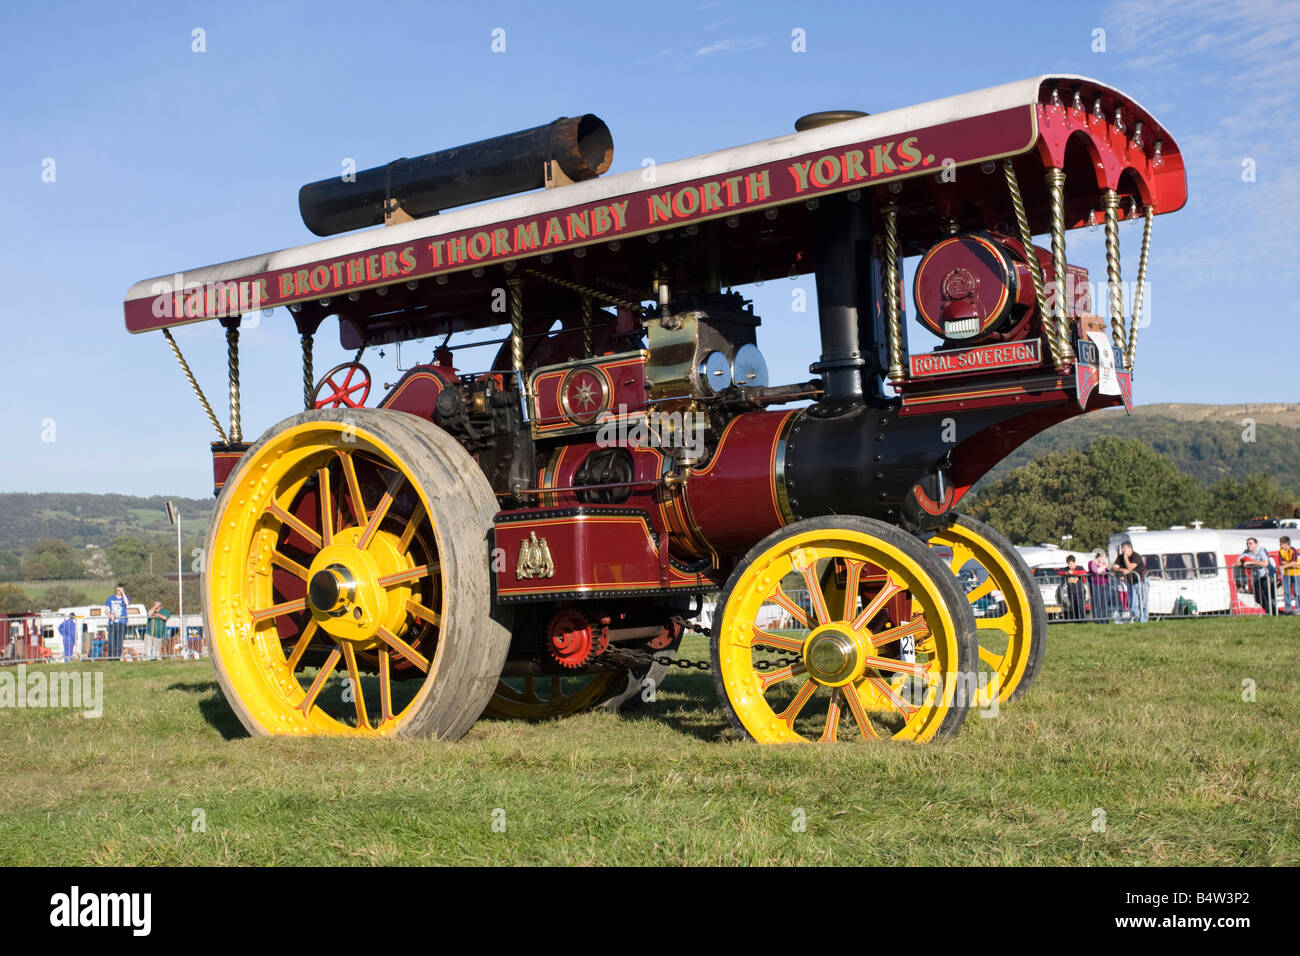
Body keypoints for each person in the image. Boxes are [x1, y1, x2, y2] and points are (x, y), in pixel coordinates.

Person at [1112, 541, 1148, 622]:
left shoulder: (1136, 556)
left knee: (1143, 602)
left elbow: (1130, 568)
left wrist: (1125, 557)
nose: (1123, 550)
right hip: (1131, 582)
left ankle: (1143, 620)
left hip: (1141, 581)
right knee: (1133, 603)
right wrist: (1122, 570)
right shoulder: (1120, 557)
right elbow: (1113, 568)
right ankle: (1136, 619)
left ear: (1130, 549)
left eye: (1125, 548)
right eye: (1122, 549)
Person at [1240, 537, 1275, 614]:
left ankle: (1271, 611)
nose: (1248, 545)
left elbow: (1265, 563)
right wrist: (1242, 563)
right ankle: (1270, 611)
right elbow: (1237, 562)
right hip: (1256, 577)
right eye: (1247, 544)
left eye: (1250, 543)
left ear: (1256, 544)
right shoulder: (1246, 552)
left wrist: (1251, 562)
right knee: (1258, 598)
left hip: (1266, 575)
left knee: (1268, 595)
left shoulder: (1261, 550)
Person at [104, 584, 129, 659]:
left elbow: (127, 603)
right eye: (118, 590)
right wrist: (110, 615)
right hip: (113, 623)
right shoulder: (110, 598)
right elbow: (106, 610)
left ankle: (117, 658)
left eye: (121, 590)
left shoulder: (125, 598)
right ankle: (111, 657)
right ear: (116, 590)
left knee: (119, 642)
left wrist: (123, 593)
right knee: (111, 641)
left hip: (122, 623)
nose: (119, 592)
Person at [1087, 549, 1113, 620]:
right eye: (1104, 556)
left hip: (1105, 585)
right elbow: (1096, 571)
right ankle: (1097, 619)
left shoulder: (1104, 563)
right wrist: (1104, 566)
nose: (1105, 558)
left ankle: (1105, 619)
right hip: (1095, 585)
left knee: (1105, 603)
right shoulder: (1091, 563)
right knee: (1097, 603)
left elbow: (1108, 572)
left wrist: (1106, 567)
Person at [1278, 535, 1299, 615]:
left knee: (1297, 591)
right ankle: (1288, 609)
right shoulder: (1281, 551)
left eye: (1281, 544)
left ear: (1286, 544)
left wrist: (1284, 566)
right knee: (1287, 591)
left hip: (1296, 573)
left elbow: (1294, 562)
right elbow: (1281, 561)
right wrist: (1290, 564)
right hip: (1287, 573)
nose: (1280, 545)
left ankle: (1298, 608)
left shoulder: (1293, 550)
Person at [1062, 555, 1087, 620]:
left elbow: (1084, 572)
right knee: (1073, 606)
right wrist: (1065, 573)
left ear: (1074, 562)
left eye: (1071, 563)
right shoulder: (1066, 569)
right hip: (1070, 590)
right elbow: (1059, 573)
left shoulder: (1080, 567)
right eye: (1068, 564)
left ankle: (1083, 620)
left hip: (1079, 590)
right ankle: (1076, 620)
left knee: (1080, 605)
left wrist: (1073, 572)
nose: (1070, 565)